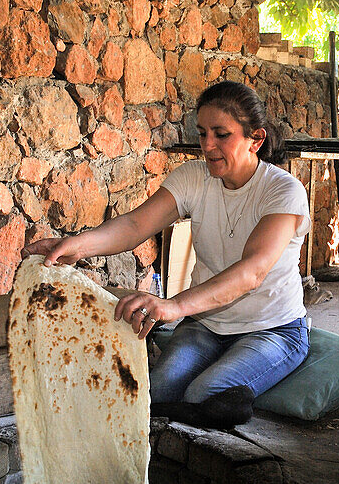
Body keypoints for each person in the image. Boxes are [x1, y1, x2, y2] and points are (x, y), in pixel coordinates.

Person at [22, 81, 311, 427]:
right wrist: (72, 246)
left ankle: (215, 404)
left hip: (273, 329)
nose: (208, 145)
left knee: (202, 393)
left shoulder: (283, 191)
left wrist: (172, 306)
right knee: (157, 391)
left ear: (256, 139)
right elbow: (133, 226)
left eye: (221, 135)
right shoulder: (194, 177)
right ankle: (206, 410)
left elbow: (252, 272)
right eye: (203, 133)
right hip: (206, 325)